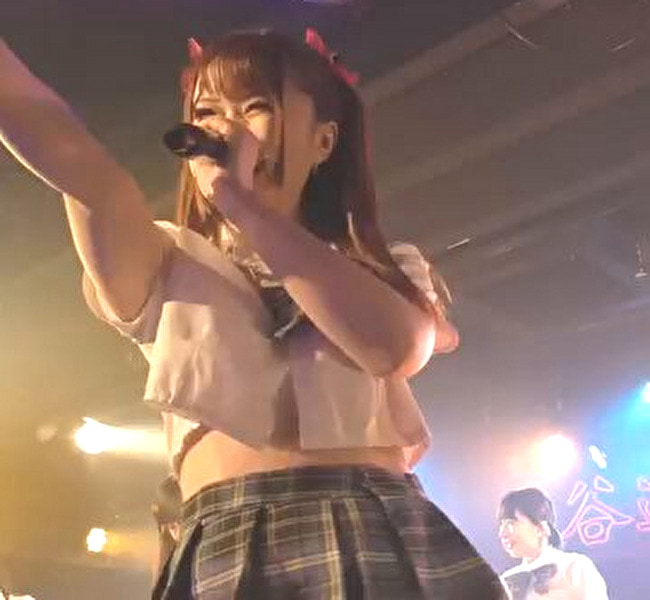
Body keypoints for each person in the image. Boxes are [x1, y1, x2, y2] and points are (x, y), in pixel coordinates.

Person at [0, 29, 506, 599]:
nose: (226, 128)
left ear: (323, 141)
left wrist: (240, 206)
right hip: (226, 536)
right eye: (207, 112)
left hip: (372, 522)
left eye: (254, 106)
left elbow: (393, 348)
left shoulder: (379, 267)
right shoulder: (164, 260)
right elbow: (75, 159)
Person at [498, 488, 609, 600]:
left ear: (540, 528)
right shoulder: (506, 580)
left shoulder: (575, 566)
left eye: (511, 523)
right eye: (501, 524)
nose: (502, 533)